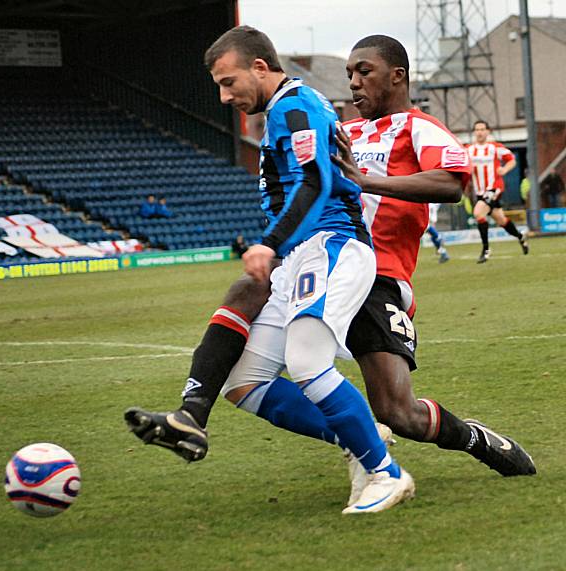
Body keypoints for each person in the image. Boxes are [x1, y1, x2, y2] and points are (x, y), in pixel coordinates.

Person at [124, 34, 535, 505]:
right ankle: (195, 413)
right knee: (248, 298)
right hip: (318, 255)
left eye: (365, 72)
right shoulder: (340, 128)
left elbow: (449, 184)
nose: (354, 83)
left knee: (399, 413)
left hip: (377, 274)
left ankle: (473, 440)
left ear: (397, 75)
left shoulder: (418, 128)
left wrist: (364, 179)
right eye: (349, 74)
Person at [127, 25, 415, 514]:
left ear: (260, 67)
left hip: (332, 243)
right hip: (303, 254)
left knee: (306, 362)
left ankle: (386, 473)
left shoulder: (293, 105)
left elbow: (318, 179)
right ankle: (360, 436)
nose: (224, 96)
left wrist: (270, 243)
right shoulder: (285, 110)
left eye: (229, 81)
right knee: (245, 381)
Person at [467, 120, 528, 263]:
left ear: (488, 131)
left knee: (478, 212)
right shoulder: (468, 150)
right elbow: (462, 165)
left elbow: (512, 160)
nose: (480, 132)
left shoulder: (495, 148)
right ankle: (520, 237)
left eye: (482, 129)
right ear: (474, 132)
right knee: (501, 220)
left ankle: (486, 250)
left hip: (494, 188)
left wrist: (504, 169)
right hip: (480, 191)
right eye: (477, 129)